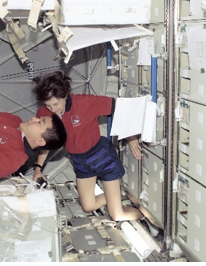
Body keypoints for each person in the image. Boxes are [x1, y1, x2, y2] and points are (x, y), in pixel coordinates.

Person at [32, 71, 143, 221]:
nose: (53, 109)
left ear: (65, 95)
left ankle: (145, 216)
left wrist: (131, 137)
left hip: (102, 157)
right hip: (79, 162)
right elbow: (46, 144)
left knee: (117, 215)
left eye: (56, 104)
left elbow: (121, 107)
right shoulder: (44, 113)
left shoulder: (85, 102)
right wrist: (37, 169)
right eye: (48, 105)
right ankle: (117, 193)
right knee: (88, 206)